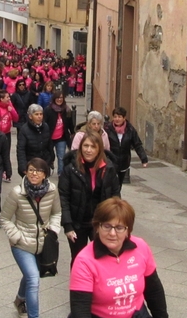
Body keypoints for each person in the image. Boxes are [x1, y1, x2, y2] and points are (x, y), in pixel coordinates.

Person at [0, 158, 61, 318]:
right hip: (22, 244)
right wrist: (16, 236)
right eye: (31, 170)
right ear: (26, 172)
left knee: (30, 275)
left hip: (43, 243)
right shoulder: (17, 193)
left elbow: (57, 212)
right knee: (34, 279)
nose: (34, 174)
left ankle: (20, 299)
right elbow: (4, 218)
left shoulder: (52, 191)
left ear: (45, 174)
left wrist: (53, 230)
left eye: (38, 171)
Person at [60, 132, 120, 264]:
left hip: (100, 223)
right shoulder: (70, 169)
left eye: (93, 147)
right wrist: (68, 225)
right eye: (85, 146)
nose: (88, 150)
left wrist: (115, 222)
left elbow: (116, 195)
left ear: (99, 149)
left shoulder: (108, 169)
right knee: (78, 259)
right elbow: (63, 197)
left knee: (101, 258)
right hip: (77, 223)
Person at [103, 107, 148, 192]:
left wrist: (144, 159)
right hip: (110, 162)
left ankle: (115, 200)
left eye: (119, 117)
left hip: (123, 162)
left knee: (119, 185)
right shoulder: (108, 129)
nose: (117, 119)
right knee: (111, 184)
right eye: (115, 116)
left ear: (124, 118)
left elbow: (137, 144)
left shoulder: (130, 130)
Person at [16, 104, 53, 177]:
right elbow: (21, 149)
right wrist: (23, 167)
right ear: (30, 116)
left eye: (41, 114)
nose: (39, 117)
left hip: (44, 162)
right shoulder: (24, 130)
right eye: (36, 114)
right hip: (30, 163)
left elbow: (49, 145)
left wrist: (51, 160)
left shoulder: (46, 127)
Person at [44, 91, 75, 176]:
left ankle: (61, 173)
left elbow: (70, 123)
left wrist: (72, 133)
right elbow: (44, 123)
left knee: (61, 156)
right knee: (49, 156)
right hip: (50, 138)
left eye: (61, 98)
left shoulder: (67, 110)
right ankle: (48, 169)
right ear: (54, 99)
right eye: (58, 98)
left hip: (62, 137)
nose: (59, 100)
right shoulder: (48, 110)